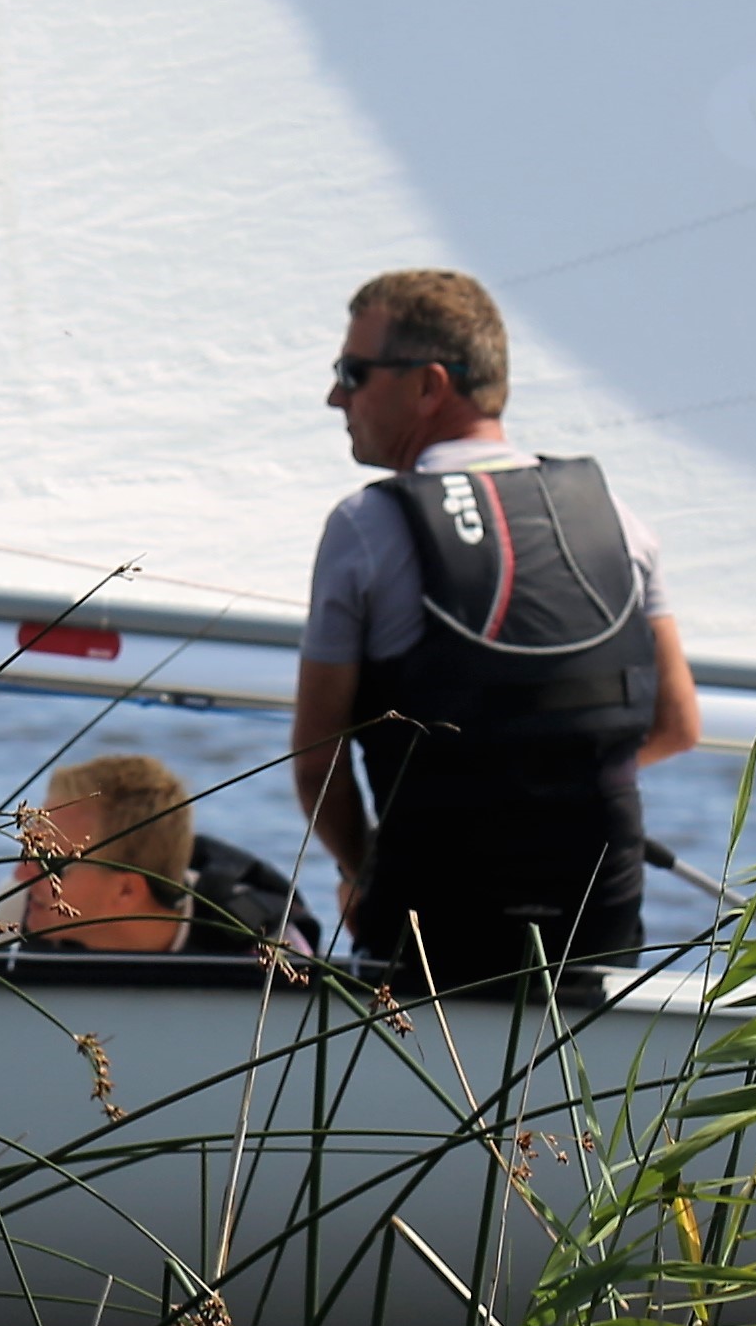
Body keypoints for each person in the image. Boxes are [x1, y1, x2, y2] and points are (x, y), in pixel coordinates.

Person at [287, 268, 700, 1006]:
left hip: (429, 936)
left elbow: (317, 765)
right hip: (595, 926)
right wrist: (546, 776)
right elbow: (677, 725)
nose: (335, 396)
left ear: (428, 385)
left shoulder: (363, 528)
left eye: (353, 372)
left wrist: (361, 874)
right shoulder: (620, 522)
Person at [4, 754, 197, 954]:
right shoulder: (12, 916)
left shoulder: (230, 943)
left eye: (50, 862)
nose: (20, 875)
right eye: (28, 850)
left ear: (126, 890)